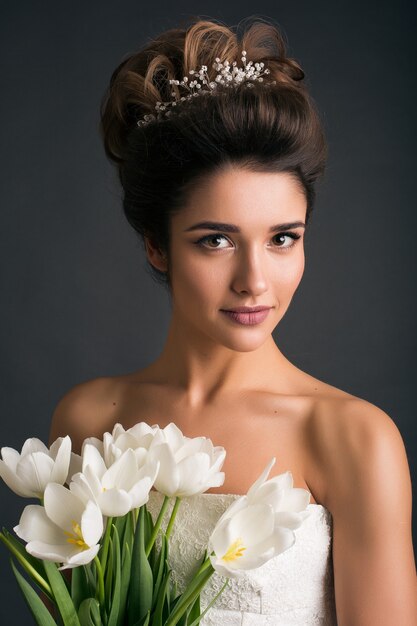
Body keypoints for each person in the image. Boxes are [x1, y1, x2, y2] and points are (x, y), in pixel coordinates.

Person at [48, 15, 417, 625]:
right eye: (215, 241)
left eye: (282, 238)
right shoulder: (88, 421)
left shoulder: (354, 439)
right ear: (155, 244)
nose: (255, 280)